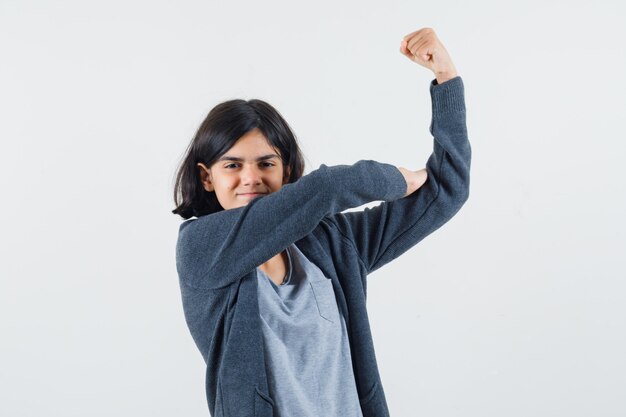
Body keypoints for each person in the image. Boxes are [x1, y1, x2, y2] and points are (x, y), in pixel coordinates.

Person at [172, 27, 471, 417]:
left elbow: (446, 191)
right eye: (232, 165)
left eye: (266, 163)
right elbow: (327, 188)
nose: (251, 178)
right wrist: (395, 179)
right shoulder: (201, 249)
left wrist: (446, 78)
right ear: (207, 177)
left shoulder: (332, 243)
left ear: (288, 170)